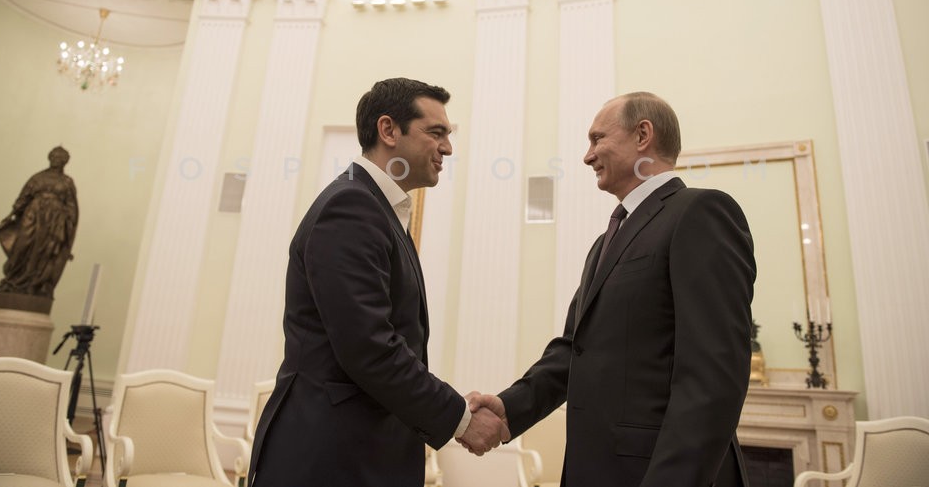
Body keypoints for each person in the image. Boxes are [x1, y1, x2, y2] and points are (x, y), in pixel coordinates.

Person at [468, 92, 756, 487]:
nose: (587, 156)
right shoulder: (604, 243)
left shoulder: (699, 213)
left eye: (597, 138)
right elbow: (575, 348)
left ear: (642, 135)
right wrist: (509, 408)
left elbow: (713, 375)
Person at [248, 78, 510, 487]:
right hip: (329, 459)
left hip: (359, 453)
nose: (447, 148)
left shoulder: (378, 209)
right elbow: (369, 346)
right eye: (436, 132)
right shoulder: (351, 205)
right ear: (388, 130)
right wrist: (460, 419)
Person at [0, 146, 79, 297]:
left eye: (60, 158)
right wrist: (11, 215)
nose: (56, 160)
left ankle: (35, 284)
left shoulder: (67, 182)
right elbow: (23, 198)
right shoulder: (37, 178)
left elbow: (71, 206)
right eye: (54, 156)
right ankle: (13, 280)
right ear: (49, 158)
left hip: (54, 222)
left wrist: (68, 231)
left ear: (65, 161)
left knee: (45, 254)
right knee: (22, 246)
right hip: (33, 216)